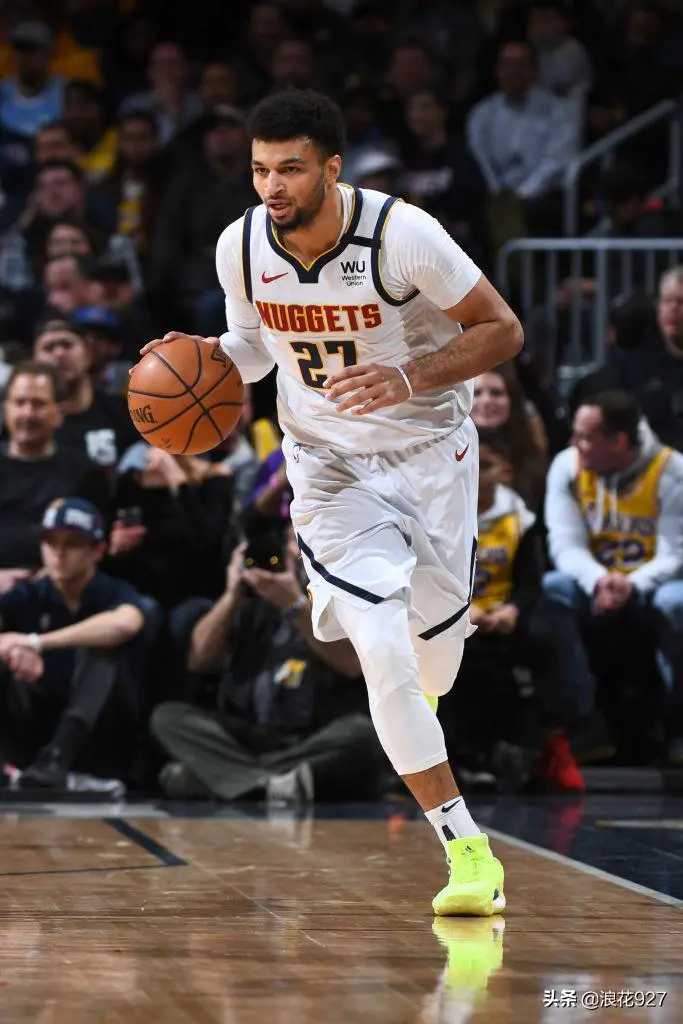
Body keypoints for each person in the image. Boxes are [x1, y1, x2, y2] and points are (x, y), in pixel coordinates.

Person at [139, 88, 523, 917]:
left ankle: (409, 687)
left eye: (290, 169)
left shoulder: (402, 235)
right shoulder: (241, 245)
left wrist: (408, 375)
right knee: (380, 647)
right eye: (259, 170)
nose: (271, 187)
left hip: (430, 455)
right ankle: (468, 853)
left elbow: (501, 329)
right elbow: (253, 349)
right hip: (326, 464)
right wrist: (205, 358)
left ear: (332, 168)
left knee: (434, 665)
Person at [153, 526, 379, 802]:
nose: (299, 550)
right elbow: (198, 660)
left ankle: (226, 778)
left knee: (363, 734)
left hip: (310, 736)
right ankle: (273, 783)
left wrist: (295, 605)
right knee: (167, 717)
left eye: (309, 540)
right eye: (294, 541)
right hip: (248, 736)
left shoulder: (346, 597)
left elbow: (352, 664)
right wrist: (231, 595)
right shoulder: (252, 604)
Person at [543, 391, 683, 765]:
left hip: (651, 588)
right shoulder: (567, 466)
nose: (574, 443)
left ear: (618, 441)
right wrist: (600, 580)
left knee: (676, 602)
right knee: (552, 590)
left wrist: (631, 584)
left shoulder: (672, 471)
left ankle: (677, 727)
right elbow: (564, 545)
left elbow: (674, 555)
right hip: (594, 586)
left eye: (585, 437)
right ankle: (585, 722)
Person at [0, 497, 150, 790]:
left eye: (72, 544)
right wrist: (11, 649)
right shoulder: (30, 593)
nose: (58, 553)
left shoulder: (112, 591)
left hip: (103, 730)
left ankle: (59, 756)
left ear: (98, 551)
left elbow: (125, 623)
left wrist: (36, 642)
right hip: (39, 722)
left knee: (102, 651)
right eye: (50, 542)